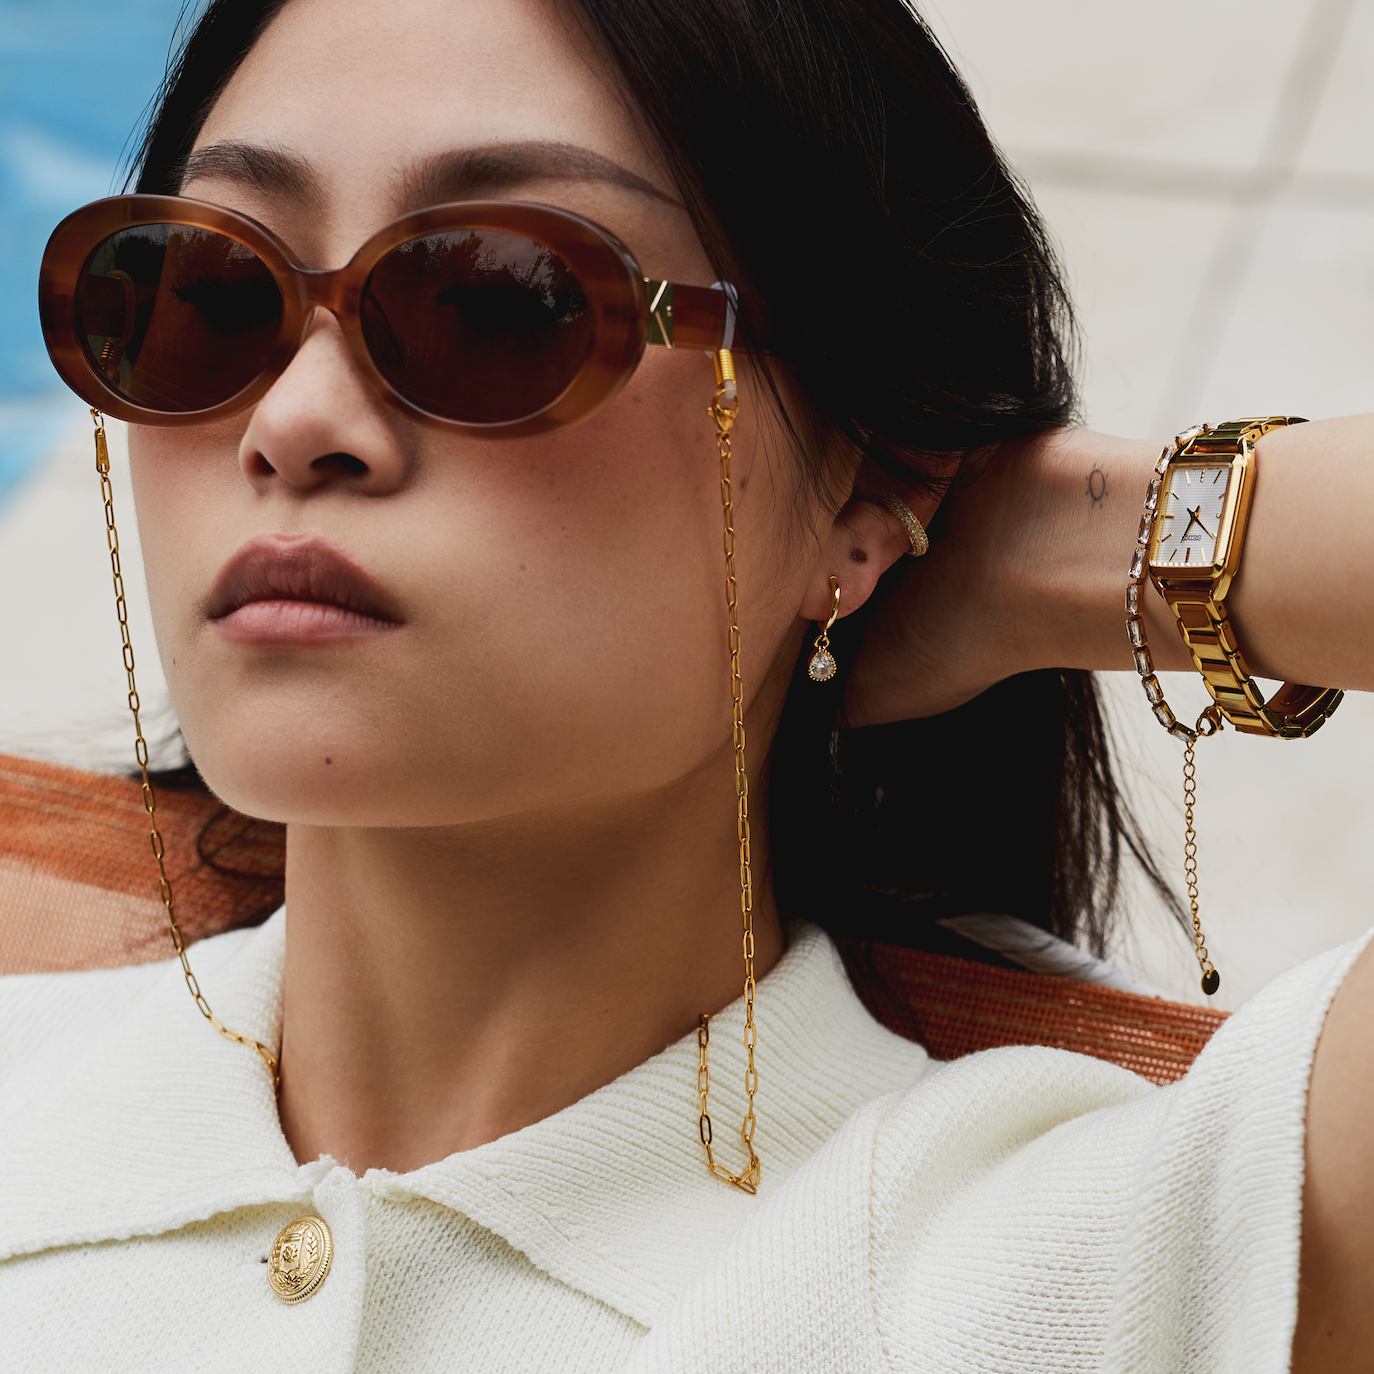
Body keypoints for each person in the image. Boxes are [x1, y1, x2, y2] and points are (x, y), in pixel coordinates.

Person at [3, 0, 1372, 1368]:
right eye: (210, 292)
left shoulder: (1093, 1260)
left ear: (870, 474)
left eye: (503, 299)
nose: (295, 421)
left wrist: (1095, 541)